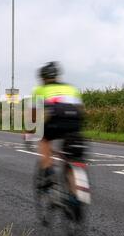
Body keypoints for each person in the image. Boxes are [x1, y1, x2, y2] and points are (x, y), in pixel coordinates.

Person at [31, 62, 86, 214]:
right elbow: (81, 111)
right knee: (71, 158)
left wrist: (30, 131)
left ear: (43, 78)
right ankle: (75, 197)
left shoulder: (40, 90)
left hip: (54, 120)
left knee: (44, 139)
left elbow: (34, 116)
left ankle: (48, 170)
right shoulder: (71, 88)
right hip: (75, 122)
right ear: (57, 76)